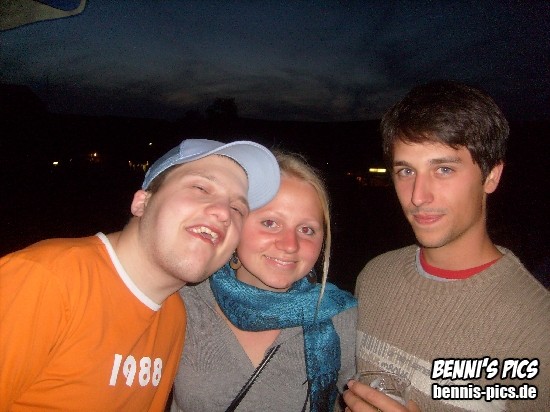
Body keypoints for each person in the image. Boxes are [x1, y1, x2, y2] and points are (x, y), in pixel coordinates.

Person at [0, 138, 280, 411]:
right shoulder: (44, 281)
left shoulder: (174, 314)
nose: (223, 213)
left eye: (237, 208)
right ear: (142, 203)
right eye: (200, 188)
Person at [343, 80, 550, 411]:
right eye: (406, 171)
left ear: (491, 176)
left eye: (443, 169)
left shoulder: (537, 328)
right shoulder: (375, 276)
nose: (418, 196)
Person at [170, 150, 358, 412]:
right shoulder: (184, 299)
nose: (290, 245)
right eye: (270, 223)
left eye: (306, 230)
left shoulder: (339, 317)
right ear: (236, 222)